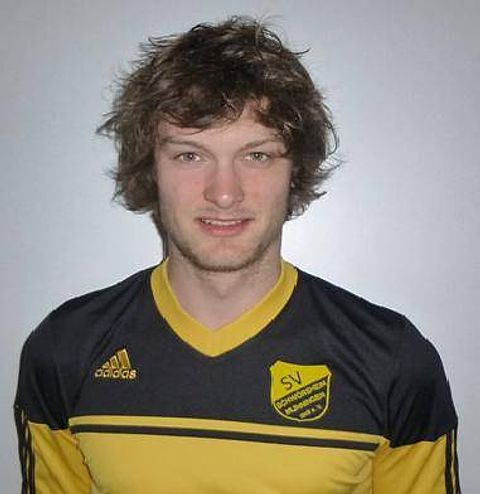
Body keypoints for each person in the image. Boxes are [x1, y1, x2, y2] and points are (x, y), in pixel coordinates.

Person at [14, 16, 460, 494]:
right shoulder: (66, 350)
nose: (224, 193)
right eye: (189, 155)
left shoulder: (392, 361)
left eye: (257, 155)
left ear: (294, 170)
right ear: (152, 169)